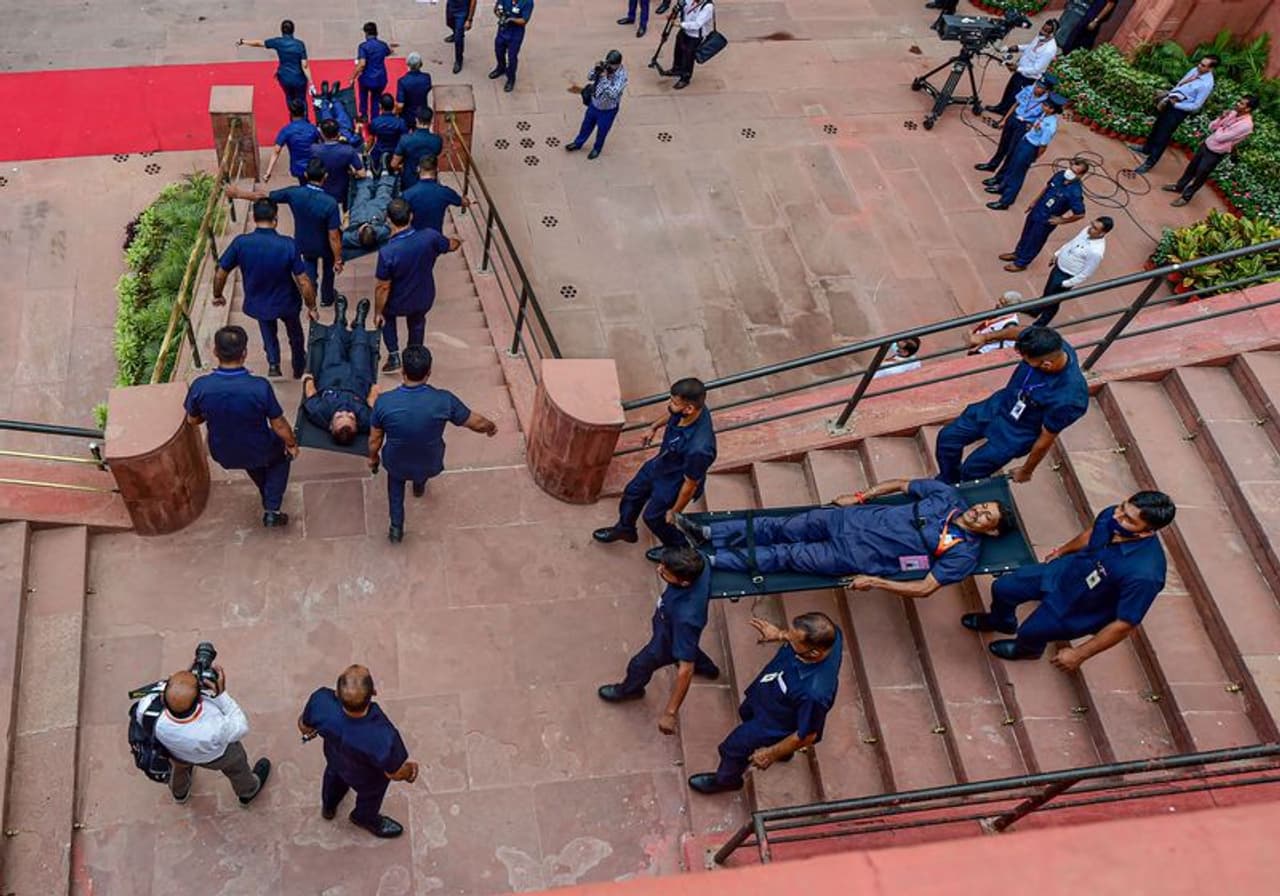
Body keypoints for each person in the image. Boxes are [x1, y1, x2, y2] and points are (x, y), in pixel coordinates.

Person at [678, 478, 1011, 596]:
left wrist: (876, 582)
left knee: (784, 555)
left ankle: (711, 559)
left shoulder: (964, 554)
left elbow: (925, 588)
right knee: (779, 526)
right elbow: (902, 484)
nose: (979, 512)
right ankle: (708, 532)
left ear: (991, 530)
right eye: (983, 506)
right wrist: (862, 495)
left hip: (853, 557)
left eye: (987, 517)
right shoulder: (947, 497)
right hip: (846, 518)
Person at [963, 491, 1175, 665]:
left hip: (1079, 607)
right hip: (1065, 572)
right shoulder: (1114, 515)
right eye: (1122, 507)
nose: (1116, 516)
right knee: (1004, 587)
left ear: (1147, 532)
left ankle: (1027, 650)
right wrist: (1063, 551)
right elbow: (1092, 533)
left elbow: (1125, 624)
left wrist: (1079, 654)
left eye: (1128, 519)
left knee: (1031, 631)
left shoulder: (1145, 574)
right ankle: (1002, 621)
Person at [687, 612, 842, 795]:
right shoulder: (833, 635)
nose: (788, 640)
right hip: (768, 695)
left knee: (733, 748)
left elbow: (807, 735)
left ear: (815, 653)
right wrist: (780, 635)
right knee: (745, 712)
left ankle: (727, 780)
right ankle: (786, 752)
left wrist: (771, 753)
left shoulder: (814, 693)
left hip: (774, 723)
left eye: (793, 641)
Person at [368, 345, 498, 541]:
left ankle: (396, 529)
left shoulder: (384, 402)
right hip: (430, 461)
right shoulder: (444, 400)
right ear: (429, 373)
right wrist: (491, 428)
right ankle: (419, 486)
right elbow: (476, 422)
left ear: (403, 371)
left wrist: (373, 458)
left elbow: (375, 439)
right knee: (420, 468)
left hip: (396, 462)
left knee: (395, 489)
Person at [938, 325, 1089, 484]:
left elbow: (1046, 439)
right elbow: (1021, 332)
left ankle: (960, 491)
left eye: (1027, 361)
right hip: (999, 405)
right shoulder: (1048, 342)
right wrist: (986, 337)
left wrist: (1026, 470)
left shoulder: (1070, 398)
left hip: (1017, 433)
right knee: (948, 437)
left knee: (973, 469)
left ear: (1046, 365)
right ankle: (948, 480)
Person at [185, 325, 301, 525]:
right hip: (259, 447)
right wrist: (291, 444)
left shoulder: (200, 387)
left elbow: (192, 419)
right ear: (245, 353)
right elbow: (278, 424)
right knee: (281, 459)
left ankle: (267, 493)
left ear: (215, 352)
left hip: (223, 451)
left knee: (254, 465)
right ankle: (272, 509)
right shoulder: (259, 387)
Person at [593, 378, 717, 563]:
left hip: (675, 481)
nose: (670, 404)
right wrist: (653, 427)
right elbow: (673, 414)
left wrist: (675, 511)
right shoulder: (689, 410)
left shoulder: (699, 448)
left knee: (654, 518)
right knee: (632, 493)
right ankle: (625, 529)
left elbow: (690, 484)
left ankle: (679, 546)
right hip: (660, 464)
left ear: (689, 408)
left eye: (674, 402)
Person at [597, 547, 720, 733]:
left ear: (685, 583)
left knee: (639, 665)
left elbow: (686, 670)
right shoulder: (699, 560)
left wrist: (670, 713)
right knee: (689, 647)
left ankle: (631, 690)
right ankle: (709, 669)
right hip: (676, 631)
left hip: (667, 639)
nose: (659, 570)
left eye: (666, 572)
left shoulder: (686, 617)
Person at [299, 665, 419, 838]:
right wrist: (410, 772)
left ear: (337, 694)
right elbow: (394, 772)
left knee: (333, 777)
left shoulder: (320, 700)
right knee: (371, 797)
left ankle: (329, 807)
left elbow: (304, 726)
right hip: (368, 778)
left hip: (334, 759)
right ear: (374, 693)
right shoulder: (384, 736)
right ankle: (363, 818)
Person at [138, 662, 271, 805]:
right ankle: (248, 790)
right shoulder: (213, 727)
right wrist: (222, 694)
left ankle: (179, 793)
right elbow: (241, 726)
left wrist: (185, 681)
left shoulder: (146, 707)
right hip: (216, 757)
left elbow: (169, 691)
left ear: (163, 697)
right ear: (200, 699)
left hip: (176, 754)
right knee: (237, 766)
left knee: (179, 769)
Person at [212, 199, 318, 378]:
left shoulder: (241, 243)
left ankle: (274, 364)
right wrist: (312, 306)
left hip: (258, 301)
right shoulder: (288, 244)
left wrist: (218, 294)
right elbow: (304, 281)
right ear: (275, 218)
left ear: (254, 217)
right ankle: (299, 366)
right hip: (287, 301)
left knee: (268, 333)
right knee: (295, 335)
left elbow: (221, 272)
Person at [230, 159, 345, 309]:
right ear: (326, 176)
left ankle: (311, 295)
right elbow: (334, 236)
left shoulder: (294, 193)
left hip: (304, 242)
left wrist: (239, 194)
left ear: (305, 174)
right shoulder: (330, 203)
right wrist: (338, 259)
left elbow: (264, 196)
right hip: (325, 245)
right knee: (328, 271)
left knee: (309, 269)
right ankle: (327, 298)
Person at [374, 199, 461, 371]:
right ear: (411, 216)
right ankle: (413, 358)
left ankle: (393, 356)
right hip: (423, 296)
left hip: (396, 301)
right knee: (417, 323)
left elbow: (383, 287)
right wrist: (458, 241)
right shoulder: (430, 236)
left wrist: (377, 311)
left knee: (386, 318)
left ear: (389, 220)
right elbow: (449, 245)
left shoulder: (387, 253)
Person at [302, 298, 380, 444]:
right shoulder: (366, 419)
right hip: (359, 377)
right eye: (351, 416)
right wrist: (374, 390)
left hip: (332, 373)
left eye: (339, 416)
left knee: (335, 340)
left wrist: (308, 378)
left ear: (330, 425)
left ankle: (340, 319)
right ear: (357, 426)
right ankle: (359, 324)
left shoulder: (320, 412)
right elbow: (371, 400)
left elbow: (311, 395)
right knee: (361, 345)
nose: (345, 411)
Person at [1163, 95, 1258, 206]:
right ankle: (1179, 187)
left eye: (1241, 104)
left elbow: (1220, 138)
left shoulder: (1246, 125)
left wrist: (1221, 128)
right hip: (1207, 144)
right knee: (1191, 168)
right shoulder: (1232, 113)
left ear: (1248, 109)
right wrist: (1221, 119)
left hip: (1216, 153)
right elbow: (1211, 127)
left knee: (1200, 175)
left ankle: (1186, 197)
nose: (1237, 104)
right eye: (1239, 101)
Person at [1130, 56, 1219, 175]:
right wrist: (1170, 96)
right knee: (1157, 126)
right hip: (1171, 101)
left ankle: (1150, 162)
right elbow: (1181, 84)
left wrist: (1177, 105)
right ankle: (1146, 148)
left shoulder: (1207, 84)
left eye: (1203, 65)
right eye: (1200, 63)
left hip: (1179, 110)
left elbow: (1196, 105)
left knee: (1163, 135)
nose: (1199, 66)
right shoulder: (1195, 71)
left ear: (1211, 68)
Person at [1000, 158, 1089, 273]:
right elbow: (1047, 188)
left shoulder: (1075, 193)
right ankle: (1017, 253)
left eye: (1075, 171)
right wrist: (1034, 202)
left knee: (1035, 241)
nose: (1070, 172)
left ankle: (1021, 263)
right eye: (1070, 168)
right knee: (1026, 234)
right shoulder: (1060, 175)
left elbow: (1080, 214)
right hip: (1037, 210)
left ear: (1081, 175)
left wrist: (1061, 220)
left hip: (1046, 219)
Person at [984, 95, 1064, 210]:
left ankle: (1005, 201)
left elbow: (1043, 145)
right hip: (1025, 141)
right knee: (1011, 166)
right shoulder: (1045, 115)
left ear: (1052, 110)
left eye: (1046, 105)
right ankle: (1002, 187)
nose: (1043, 106)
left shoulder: (1049, 125)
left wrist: (1034, 157)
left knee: (1017, 175)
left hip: (1030, 148)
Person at [1035, 216, 1113, 326]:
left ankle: (1040, 324)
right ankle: (1036, 310)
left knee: (1053, 302)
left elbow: (1087, 273)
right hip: (1059, 267)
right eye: (1092, 224)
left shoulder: (1096, 252)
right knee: (1047, 292)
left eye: (1095, 228)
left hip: (1066, 276)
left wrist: (1066, 283)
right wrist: (1057, 254)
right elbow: (1072, 242)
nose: (1090, 228)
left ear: (1102, 233)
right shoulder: (1087, 231)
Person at [975, 74, 1053, 175]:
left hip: (1025, 124)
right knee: (1003, 144)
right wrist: (1005, 119)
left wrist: (1031, 128)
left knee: (1012, 151)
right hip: (1014, 118)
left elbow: (1041, 119)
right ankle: (992, 165)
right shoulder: (1028, 89)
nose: (1036, 88)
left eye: (1040, 88)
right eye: (1037, 85)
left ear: (1046, 90)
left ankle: (1001, 175)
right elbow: (1016, 104)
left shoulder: (1046, 103)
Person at [986, 19, 1059, 117]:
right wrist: (1015, 48)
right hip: (1020, 71)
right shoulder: (1040, 37)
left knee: (1016, 96)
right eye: (1042, 28)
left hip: (1028, 78)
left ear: (1052, 34)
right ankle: (1001, 108)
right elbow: (1030, 47)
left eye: (1046, 31)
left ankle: (1007, 114)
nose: (1042, 32)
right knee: (1009, 90)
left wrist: (1017, 69)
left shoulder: (1049, 50)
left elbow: (1037, 69)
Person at [239, 20, 314, 116]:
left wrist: (243, 41)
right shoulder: (299, 44)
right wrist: (311, 82)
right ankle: (304, 119)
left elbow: (259, 43)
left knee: (289, 97)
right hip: (299, 78)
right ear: (293, 30)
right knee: (301, 99)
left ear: (282, 30)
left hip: (284, 77)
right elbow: (305, 65)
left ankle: (293, 116)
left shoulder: (278, 42)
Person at [566, 50, 628, 160]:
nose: (609, 66)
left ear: (618, 64)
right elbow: (590, 77)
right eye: (608, 63)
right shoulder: (605, 66)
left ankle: (597, 149)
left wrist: (604, 77)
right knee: (586, 125)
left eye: (612, 65)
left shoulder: (622, 76)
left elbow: (613, 94)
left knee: (602, 130)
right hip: (594, 104)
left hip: (608, 110)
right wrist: (595, 69)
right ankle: (578, 143)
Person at [402, 155, 468, 233]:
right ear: (437, 169)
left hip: (415, 237)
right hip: (435, 237)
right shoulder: (445, 192)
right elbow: (463, 202)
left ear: (418, 169)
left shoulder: (407, 194)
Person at [263, 99, 321, 184]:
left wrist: (268, 172)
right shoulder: (313, 129)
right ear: (304, 112)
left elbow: (276, 151)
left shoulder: (286, 130)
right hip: (314, 167)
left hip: (297, 168)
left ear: (290, 114)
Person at [314, 118, 367, 210]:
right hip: (343, 190)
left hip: (323, 190)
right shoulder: (348, 151)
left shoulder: (314, 150)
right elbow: (362, 173)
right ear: (338, 133)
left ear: (322, 134)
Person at [391, 107, 445, 192]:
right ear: (431, 122)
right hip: (430, 182)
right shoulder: (437, 140)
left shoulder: (405, 139)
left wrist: (401, 168)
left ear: (416, 120)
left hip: (409, 182)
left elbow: (394, 164)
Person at [353, 22, 398, 122]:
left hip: (367, 78)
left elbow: (362, 64)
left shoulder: (363, 47)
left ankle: (364, 115)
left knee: (363, 95)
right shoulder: (382, 45)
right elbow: (389, 51)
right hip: (380, 79)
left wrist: (353, 77)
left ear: (366, 33)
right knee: (376, 99)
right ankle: (375, 119)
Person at [343, 171, 399, 251]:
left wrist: (346, 218)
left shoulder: (349, 238)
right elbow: (390, 227)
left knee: (362, 194)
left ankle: (367, 178)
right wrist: (387, 216)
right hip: (376, 212)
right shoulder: (381, 232)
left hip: (358, 213)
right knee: (383, 195)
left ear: (359, 232)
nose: (366, 224)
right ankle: (385, 175)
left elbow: (344, 232)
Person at [491, 0, 534, 93]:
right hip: (503, 31)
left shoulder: (528, 2)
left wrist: (511, 19)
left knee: (512, 57)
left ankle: (511, 78)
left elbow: (524, 21)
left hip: (515, 35)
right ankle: (500, 68)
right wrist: (501, 15)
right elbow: (496, 9)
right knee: (498, 51)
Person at [670, 0, 714, 90]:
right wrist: (675, 14)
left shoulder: (708, 7)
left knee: (688, 56)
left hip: (695, 36)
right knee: (678, 49)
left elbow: (697, 24)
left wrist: (680, 24)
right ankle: (677, 68)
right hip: (685, 30)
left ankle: (685, 78)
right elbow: (684, 9)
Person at [367, 94, 408, 174]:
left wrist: (366, 151)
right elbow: (404, 141)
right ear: (393, 106)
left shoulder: (375, 122)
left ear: (380, 106)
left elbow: (371, 140)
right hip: (395, 154)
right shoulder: (400, 122)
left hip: (378, 153)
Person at [395, 53, 434, 132]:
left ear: (408, 65)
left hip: (407, 116)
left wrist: (395, 113)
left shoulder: (403, 81)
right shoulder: (426, 78)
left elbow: (400, 105)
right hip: (421, 114)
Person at [444, 0, 478, 74]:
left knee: (458, 39)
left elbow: (473, 1)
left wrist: (469, 19)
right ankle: (456, 33)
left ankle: (459, 60)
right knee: (449, 23)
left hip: (462, 11)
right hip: (451, 6)